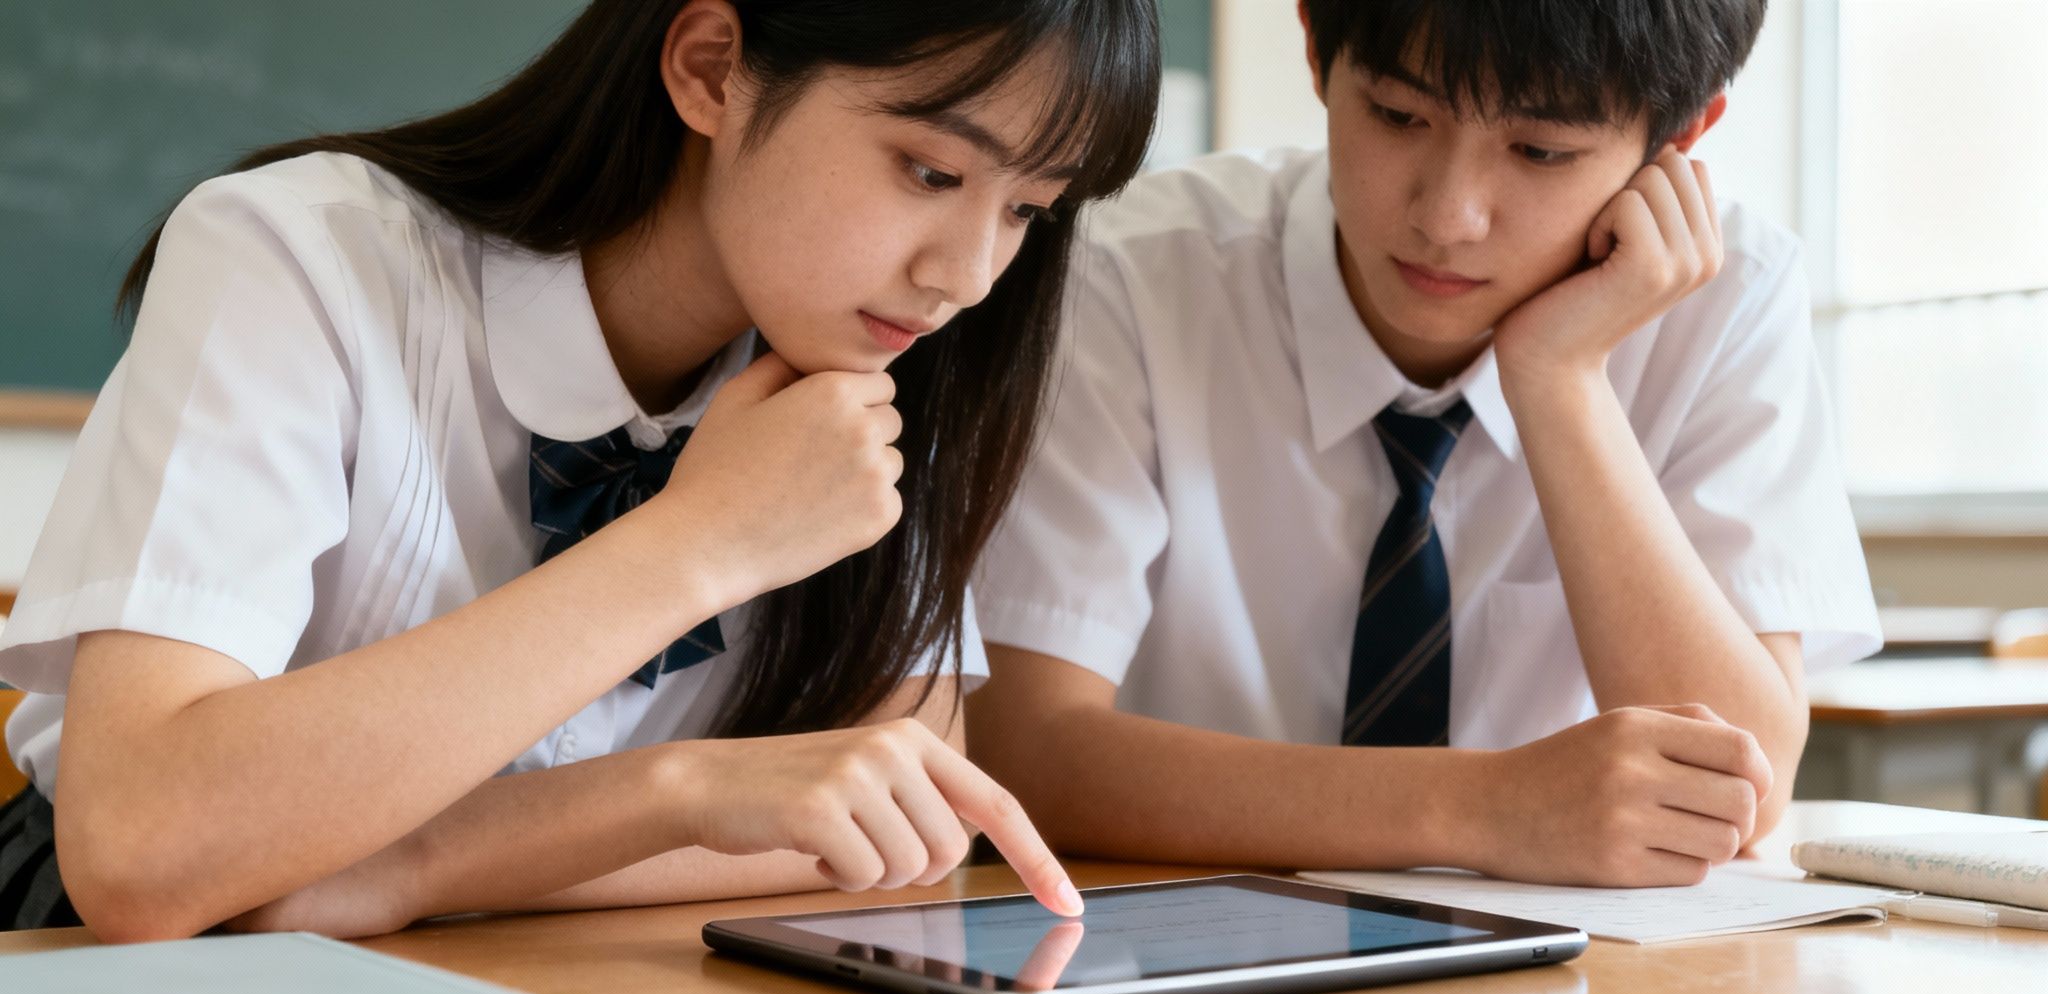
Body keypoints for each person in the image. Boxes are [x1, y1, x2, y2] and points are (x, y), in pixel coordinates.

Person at [0, 0, 1160, 938]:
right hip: (116, 974)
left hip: (551, 971)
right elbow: (145, 855)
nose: (966, 273)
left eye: (1028, 212)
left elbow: (904, 810)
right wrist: (694, 562)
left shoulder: (890, 365)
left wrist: (418, 865)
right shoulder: (297, 257)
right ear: (710, 69)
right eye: (928, 173)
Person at [967, 0, 1880, 887]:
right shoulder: (1130, 274)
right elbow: (1023, 752)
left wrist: (1559, 381)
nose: (1448, 217)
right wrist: (1482, 808)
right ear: (1318, 47)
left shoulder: (1725, 300)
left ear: (1681, 135)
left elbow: (1739, 793)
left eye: (1540, 150)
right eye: (1399, 115)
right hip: (1176, 970)